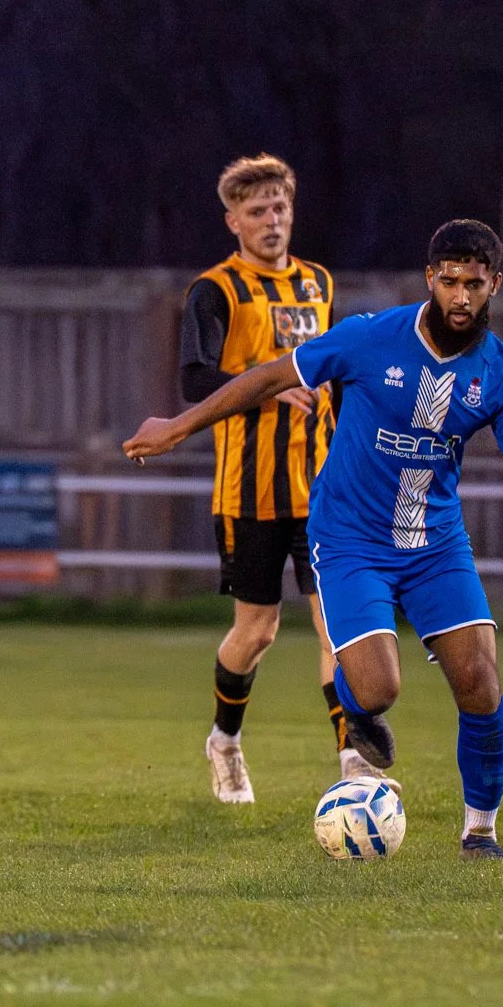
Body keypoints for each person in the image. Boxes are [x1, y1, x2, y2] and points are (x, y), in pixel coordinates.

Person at [126, 219, 503, 860]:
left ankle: (480, 833)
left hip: (435, 543)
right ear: (430, 279)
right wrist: (179, 427)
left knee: (480, 680)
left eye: (475, 283)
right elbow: (269, 377)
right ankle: (357, 712)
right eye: (450, 281)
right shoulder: (370, 338)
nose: (461, 297)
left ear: (495, 285)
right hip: (350, 536)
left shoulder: (502, 375)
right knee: (379, 689)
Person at [180, 154, 391, 805]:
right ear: (232, 221)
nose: (272, 221)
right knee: (258, 630)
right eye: (257, 211)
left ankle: (354, 761)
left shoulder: (318, 284)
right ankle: (224, 739)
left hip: (323, 489)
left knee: (335, 627)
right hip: (248, 490)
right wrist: (271, 393)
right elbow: (194, 379)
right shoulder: (214, 289)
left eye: (280, 208)